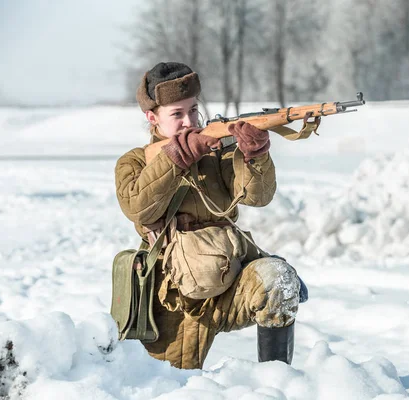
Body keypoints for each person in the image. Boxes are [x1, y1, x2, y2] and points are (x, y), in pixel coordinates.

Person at [114, 61, 301, 369]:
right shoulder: (134, 162)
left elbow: (259, 196)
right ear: (152, 117)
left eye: (193, 110)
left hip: (228, 283)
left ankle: (276, 379)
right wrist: (179, 156)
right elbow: (138, 206)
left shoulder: (217, 154)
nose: (189, 121)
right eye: (176, 114)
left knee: (277, 280)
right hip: (172, 298)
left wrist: (255, 155)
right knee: (168, 385)